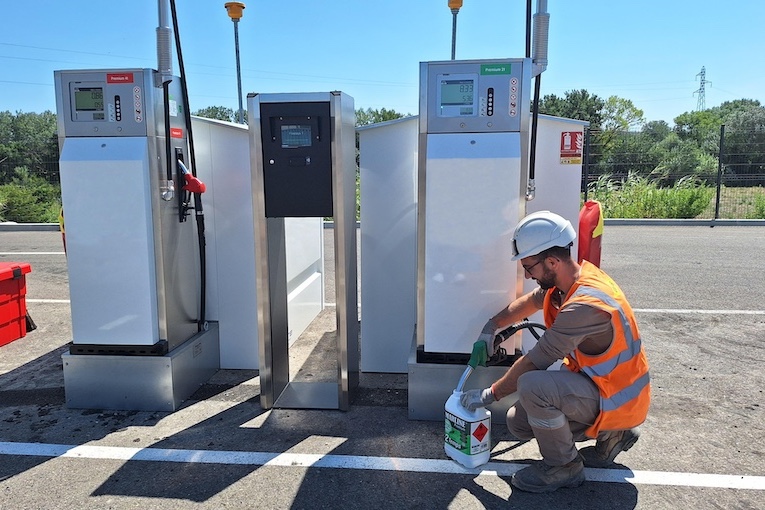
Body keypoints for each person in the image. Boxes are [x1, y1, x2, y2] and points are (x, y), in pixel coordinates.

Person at [461, 210, 650, 493]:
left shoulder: (585, 305)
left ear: (552, 261)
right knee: (519, 423)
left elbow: (537, 359)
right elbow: (531, 302)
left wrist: (489, 394)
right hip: (601, 388)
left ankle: (565, 467)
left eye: (529, 267)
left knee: (534, 386)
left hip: (619, 397)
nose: (526, 274)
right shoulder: (565, 284)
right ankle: (614, 434)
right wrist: (493, 326)